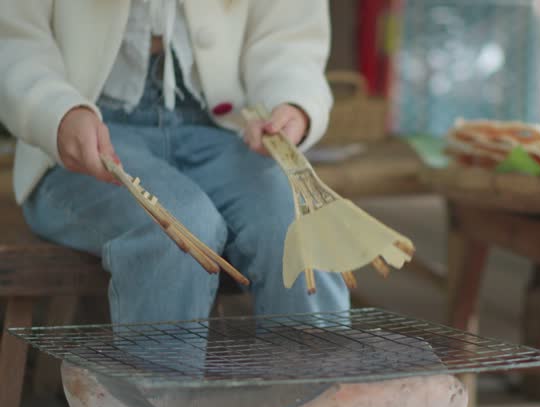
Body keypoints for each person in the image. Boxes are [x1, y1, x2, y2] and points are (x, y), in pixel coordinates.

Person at [0, 1, 350, 325]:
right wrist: (55, 111)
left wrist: (291, 102)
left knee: (297, 219)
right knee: (177, 229)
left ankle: (322, 387)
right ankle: (160, 393)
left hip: (228, 127)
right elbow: (14, 40)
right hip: (86, 133)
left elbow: (288, 35)